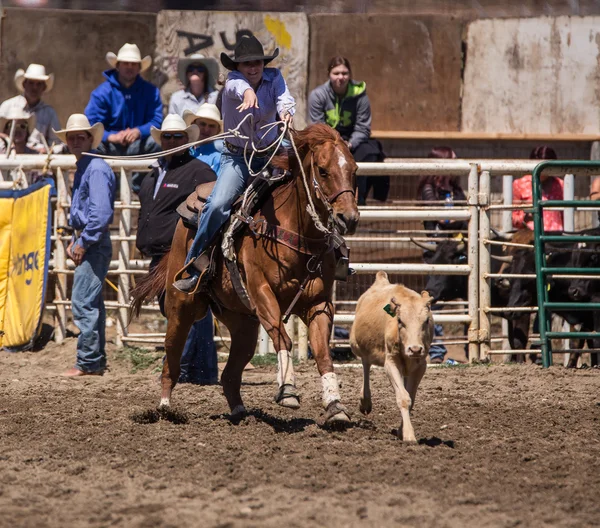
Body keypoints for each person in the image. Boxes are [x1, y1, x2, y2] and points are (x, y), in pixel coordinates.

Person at [173, 35, 295, 293]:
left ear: (264, 63)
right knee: (217, 205)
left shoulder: (275, 78)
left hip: (271, 153)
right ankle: (195, 264)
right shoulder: (233, 81)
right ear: (237, 67)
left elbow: (284, 99)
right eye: (246, 63)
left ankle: (330, 253)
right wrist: (249, 92)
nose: (253, 67)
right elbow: (238, 88)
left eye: (257, 62)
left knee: (311, 183)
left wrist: (285, 113)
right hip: (238, 158)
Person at [137, 114, 219, 384]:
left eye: (177, 137)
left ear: (187, 140)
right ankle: (203, 371)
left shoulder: (199, 171)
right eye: (168, 137)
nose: (172, 141)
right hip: (159, 252)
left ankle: (180, 368)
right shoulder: (155, 172)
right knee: (183, 309)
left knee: (182, 309)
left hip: (181, 253)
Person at [55, 114, 116, 377]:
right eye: (73, 137)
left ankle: (89, 361)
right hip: (90, 239)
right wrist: (77, 239)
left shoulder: (95, 168)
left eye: (82, 137)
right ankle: (95, 359)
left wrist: (83, 241)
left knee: (83, 301)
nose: (77, 140)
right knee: (91, 301)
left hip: (93, 241)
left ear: (90, 139)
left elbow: (100, 213)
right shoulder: (88, 167)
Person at [308, 56, 387, 206]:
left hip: (352, 140)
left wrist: (349, 144)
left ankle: (359, 199)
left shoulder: (359, 95)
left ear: (350, 75)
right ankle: (325, 201)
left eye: (344, 73)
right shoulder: (318, 95)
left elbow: (363, 127)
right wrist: (335, 144)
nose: (341, 77)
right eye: (336, 73)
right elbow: (317, 126)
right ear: (329, 75)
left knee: (370, 153)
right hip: (328, 140)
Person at [84, 42, 162, 188]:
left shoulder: (151, 92)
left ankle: (140, 188)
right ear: (118, 65)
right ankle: (108, 186)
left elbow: (157, 120)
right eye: (126, 63)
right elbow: (91, 123)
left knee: (158, 142)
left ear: (139, 68)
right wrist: (110, 136)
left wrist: (139, 131)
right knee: (94, 144)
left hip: (139, 145)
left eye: (133, 64)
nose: (129, 67)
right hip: (110, 146)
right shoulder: (102, 93)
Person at [417, 147, 467, 364]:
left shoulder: (456, 190)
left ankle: (469, 347)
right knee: (433, 302)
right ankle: (436, 351)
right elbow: (444, 218)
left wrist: (458, 219)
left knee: (469, 300)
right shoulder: (428, 189)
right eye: (452, 161)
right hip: (437, 252)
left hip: (459, 252)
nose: (456, 166)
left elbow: (464, 214)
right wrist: (458, 218)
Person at [0, 63, 61, 153]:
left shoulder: (49, 113)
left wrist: (48, 151)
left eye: (39, 84)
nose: (34, 88)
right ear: (24, 84)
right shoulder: (8, 106)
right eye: (31, 83)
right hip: (8, 155)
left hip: (39, 161)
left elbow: (56, 143)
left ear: (44, 87)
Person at [416, 146, 467, 235]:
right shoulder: (429, 188)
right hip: (437, 241)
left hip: (460, 238)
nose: (457, 164)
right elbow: (440, 218)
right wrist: (463, 218)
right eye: (454, 160)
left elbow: (468, 209)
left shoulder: (455, 188)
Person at [513, 146, 564, 231]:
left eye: (545, 168)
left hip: (555, 238)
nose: (542, 172)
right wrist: (525, 217)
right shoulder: (520, 184)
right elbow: (513, 218)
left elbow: (566, 215)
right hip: (530, 236)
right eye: (538, 167)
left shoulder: (561, 185)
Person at [183, 103, 223, 173]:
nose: (206, 129)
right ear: (193, 125)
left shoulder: (218, 159)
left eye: (211, 126)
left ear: (218, 130)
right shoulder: (183, 152)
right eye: (202, 124)